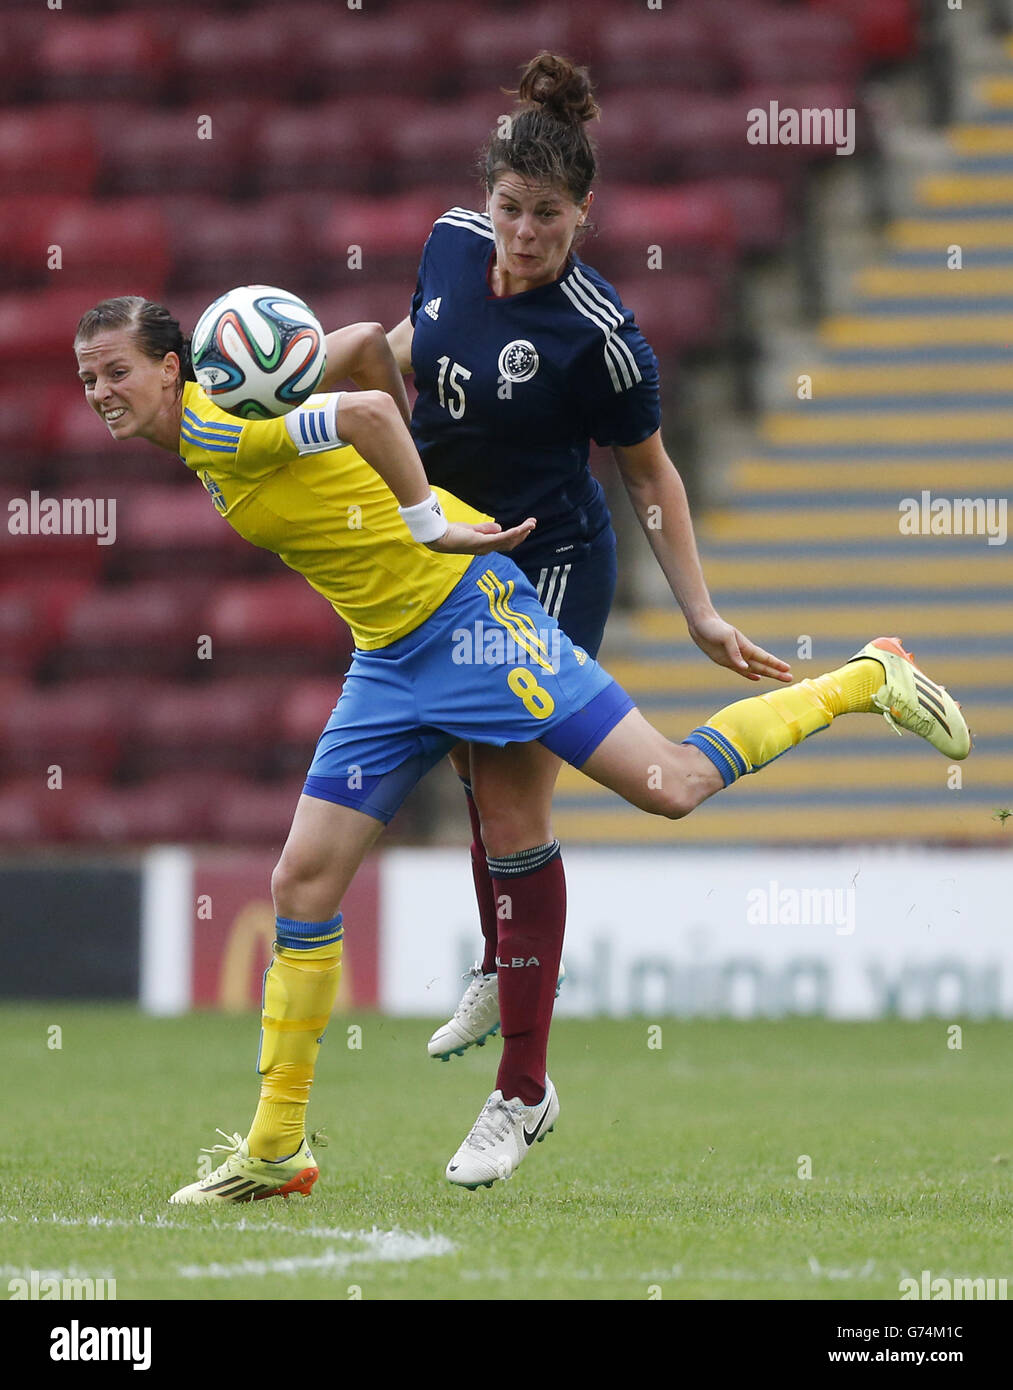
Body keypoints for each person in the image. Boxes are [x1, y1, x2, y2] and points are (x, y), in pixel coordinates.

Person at [74, 295, 968, 1198]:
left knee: (670, 784)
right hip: (387, 658)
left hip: (471, 621)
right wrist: (407, 473)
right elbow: (359, 347)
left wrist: (423, 517)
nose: (101, 392)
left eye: (117, 372)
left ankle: (866, 676)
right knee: (301, 883)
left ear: (173, 367)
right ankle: (276, 1150)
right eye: (87, 379)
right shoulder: (233, 405)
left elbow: (371, 409)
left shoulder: (221, 428)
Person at [384, 53, 784, 1110]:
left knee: (511, 792)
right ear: (486, 199)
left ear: (583, 214)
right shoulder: (447, 244)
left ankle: (523, 1083)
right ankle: (500, 957)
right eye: (510, 209)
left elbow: (649, 473)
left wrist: (698, 611)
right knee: (473, 768)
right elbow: (415, 342)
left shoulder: (599, 337)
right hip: (455, 558)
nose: (524, 234)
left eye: (548, 216)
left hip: (549, 564)